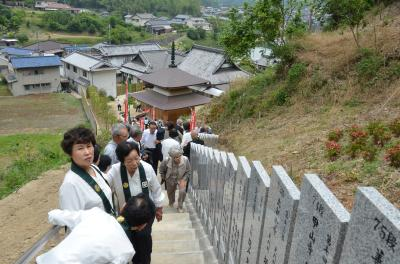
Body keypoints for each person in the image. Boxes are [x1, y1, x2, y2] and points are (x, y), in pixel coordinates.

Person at [36, 194, 155, 264]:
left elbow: (57, 216)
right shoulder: (126, 250)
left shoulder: (96, 214)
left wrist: (52, 214)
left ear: (123, 207)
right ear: (142, 226)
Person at [105, 141, 164, 264]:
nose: (134, 163)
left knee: (143, 239)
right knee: (127, 240)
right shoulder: (115, 171)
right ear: (122, 160)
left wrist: (159, 209)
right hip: (126, 214)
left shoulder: (147, 168)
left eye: (137, 158)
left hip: (145, 212)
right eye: (129, 161)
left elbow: (156, 189)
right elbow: (103, 185)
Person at [59, 127, 114, 214]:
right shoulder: (70, 184)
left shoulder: (94, 167)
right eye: (80, 148)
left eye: (89, 146)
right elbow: (72, 221)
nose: (87, 152)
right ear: (70, 153)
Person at [159, 147, 190, 213]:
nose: (176, 158)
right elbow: (161, 170)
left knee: (182, 191)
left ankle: (180, 206)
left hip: (181, 178)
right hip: (170, 178)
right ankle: (171, 201)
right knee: (170, 192)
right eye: (174, 157)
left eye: (178, 156)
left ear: (181, 155)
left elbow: (188, 171)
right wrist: (164, 177)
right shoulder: (166, 160)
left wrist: (184, 179)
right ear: (171, 157)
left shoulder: (185, 160)